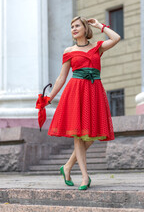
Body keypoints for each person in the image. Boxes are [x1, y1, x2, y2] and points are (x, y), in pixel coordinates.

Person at [47, 16, 121, 190]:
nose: (73, 28)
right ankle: (85, 177)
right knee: (78, 136)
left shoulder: (97, 48)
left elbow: (116, 38)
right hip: (76, 92)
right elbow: (61, 78)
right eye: (71, 26)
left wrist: (99, 26)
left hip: (94, 92)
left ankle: (67, 166)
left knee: (93, 134)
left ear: (85, 28)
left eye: (77, 25)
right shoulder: (69, 51)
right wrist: (49, 98)